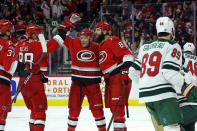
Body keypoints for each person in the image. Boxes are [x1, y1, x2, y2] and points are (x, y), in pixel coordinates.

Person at [131, 16, 191, 131]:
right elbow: (169, 72)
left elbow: (132, 71)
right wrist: (185, 86)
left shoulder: (145, 46)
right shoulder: (173, 45)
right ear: (172, 31)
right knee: (172, 127)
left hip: (147, 97)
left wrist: (146, 83)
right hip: (164, 95)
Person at [57, 26, 106, 130]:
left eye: (85, 38)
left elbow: (106, 59)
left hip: (93, 85)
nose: (83, 40)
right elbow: (62, 36)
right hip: (77, 84)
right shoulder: (74, 43)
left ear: (90, 38)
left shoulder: (97, 47)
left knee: (97, 110)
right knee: (73, 109)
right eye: (81, 37)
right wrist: (67, 25)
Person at [15, 24, 62, 131]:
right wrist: (65, 28)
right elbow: (56, 42)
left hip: (22, 82)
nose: (42, 34)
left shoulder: (18, 44)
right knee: (40, 113)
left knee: (33, 110)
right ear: (34, 34)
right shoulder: (40, 45)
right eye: (39, 33)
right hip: (34, 81)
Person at [94, 21, 134, 131]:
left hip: (118, 77)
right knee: (113, 108)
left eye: (98, 30)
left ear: (105, 31)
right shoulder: (100, 46)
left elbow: (128, 56)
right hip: (110, 79)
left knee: (118, 108)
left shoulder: (113, 40)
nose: (95, 32)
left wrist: (125, 72)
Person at [0, 19, 26, 131]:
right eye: (10, 29)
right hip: (2, 84)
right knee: (1, 114)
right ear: (6, 31)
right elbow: (8, 66)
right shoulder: (8, 44)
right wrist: (24, 66)